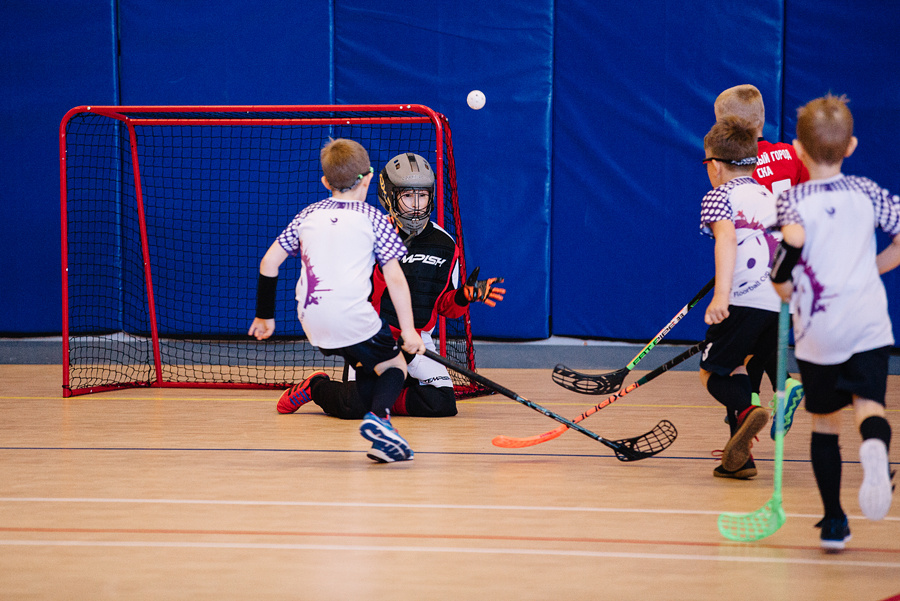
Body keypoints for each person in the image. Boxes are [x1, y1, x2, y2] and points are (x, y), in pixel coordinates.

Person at [275, 152, 505, 419]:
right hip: (371, 338)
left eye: (423, 196)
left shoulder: (445, 245)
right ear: (390, 196)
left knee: (442, 403)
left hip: (416, 340)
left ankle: (384, 400)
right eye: (408, 196)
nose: (417, 205)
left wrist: (465, 296)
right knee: (352, 409)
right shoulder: (368, 235)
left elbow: (444, 307)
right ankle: (316, 387)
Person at [770, 94, 900, 551]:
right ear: (851, 146)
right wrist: (873, 267)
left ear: (798, 151)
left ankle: (833, 523)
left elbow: (784, 277)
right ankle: (876, 448)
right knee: (870, 405)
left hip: (819, 329)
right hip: (867, 321)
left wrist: (783, 283)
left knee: (825, 423)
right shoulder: (867, 192)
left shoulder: (791, 201)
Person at [248, 138, 426, 464]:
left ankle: (380, 439)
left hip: (311, 319)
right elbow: (396, 279)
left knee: (371, 370)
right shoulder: (374, 219)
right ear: (370, 178)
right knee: (395, 365)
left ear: (326, 182)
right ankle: (381, 423)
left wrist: (265, 317)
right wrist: (410, 332)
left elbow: (268, 264)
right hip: (350, 315)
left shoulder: (307, 215)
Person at [715, 84, 806, 436]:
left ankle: (741, 445)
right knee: (763, 344)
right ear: (762, 120)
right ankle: (783, 386)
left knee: (735, 360)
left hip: (751, 271)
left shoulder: (735, 163)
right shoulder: (790, 154)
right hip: (790, 267)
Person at [698, 116, 781, 480]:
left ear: (714, 166)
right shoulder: (768, 195)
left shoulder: (718, 196)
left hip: (744, 300)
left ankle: (749, 412)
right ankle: (739, 457)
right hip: (779, 299)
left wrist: (721, 296)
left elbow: (727, 240)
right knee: (744, 364)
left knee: (711, 372)